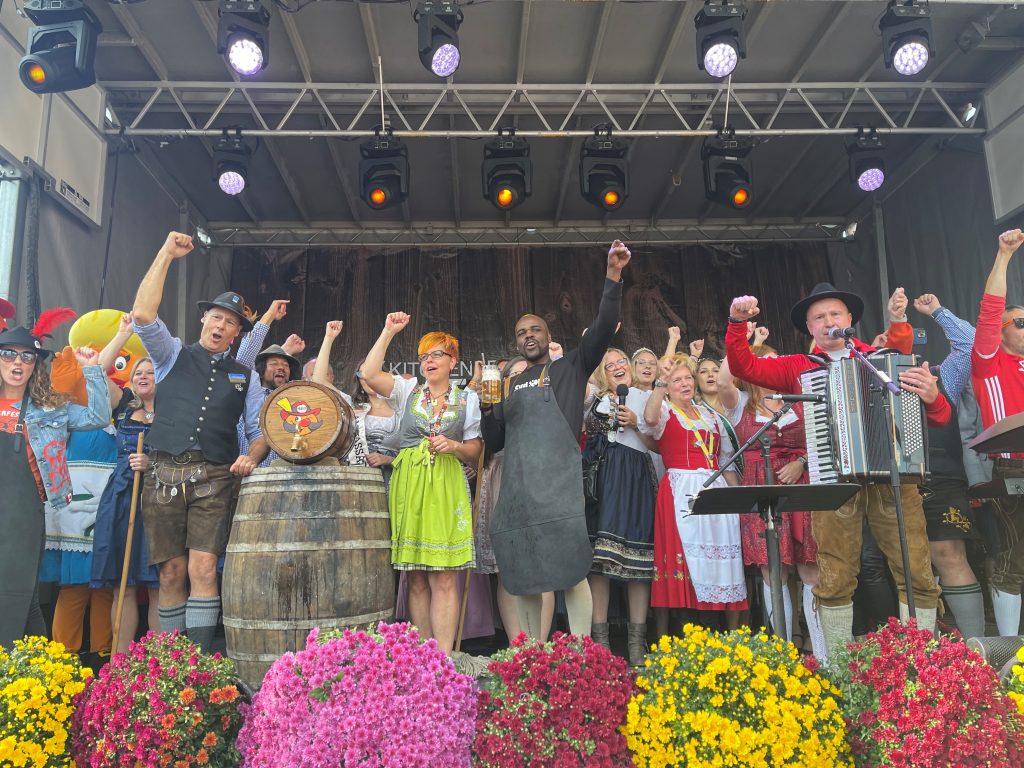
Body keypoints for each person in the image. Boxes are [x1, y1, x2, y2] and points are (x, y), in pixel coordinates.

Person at [726, 282, 951, 656]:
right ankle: (840, 666)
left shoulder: (882, 358)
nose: (828, 320)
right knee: (834, 572)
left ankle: (921, 657)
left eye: (834, 314)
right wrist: (736, 324)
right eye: (819, 317)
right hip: (831, 478)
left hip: (893, 477)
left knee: (915, 568)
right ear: (810, 329)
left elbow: (938, 417)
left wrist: (933, 396)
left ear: (849, 320)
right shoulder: (799, 367)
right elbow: (743, 366)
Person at [481, 240, 632, 641]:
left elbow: (602, 327)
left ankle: (582, 655)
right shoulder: (507, 386)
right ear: (516, 343)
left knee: (570, 572)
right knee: (529, 576)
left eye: (535, 330)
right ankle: (533, 653)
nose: (528, 336)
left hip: (561, 488)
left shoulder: (570, 368)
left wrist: (613, 276)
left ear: (548, 336)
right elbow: (494, 441)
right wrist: (484, 407)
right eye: (521, 333)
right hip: (519, 491)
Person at [132, 231, 268, 652]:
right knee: (171, 572)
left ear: (236, 335)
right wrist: (165, 253)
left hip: (214, 476)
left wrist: (250, 456)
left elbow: (262, 432)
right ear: (203, 320)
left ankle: (203, 660)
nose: (221, 324)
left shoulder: (247, 376)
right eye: (216, 317)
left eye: (230, 322)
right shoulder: (171, 355)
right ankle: (174, 662)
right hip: (163, 474)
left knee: (204, 568)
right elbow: (141, 313)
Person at [360, 314, 483, 655]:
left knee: (443, 574)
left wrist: (454, 446)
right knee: (415, 575)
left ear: (452, 361)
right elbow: (369, 374)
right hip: (410, 483)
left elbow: (475, 450)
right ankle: (425, 657)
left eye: (437, 354)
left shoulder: (467, 399)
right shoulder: (406, 391)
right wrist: (387, 331)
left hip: (446, 483)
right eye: (425, 355)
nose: (429, 360)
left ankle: (442, 658)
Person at [0, 318, 111, 646]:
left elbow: (97, 417)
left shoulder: (51, 408)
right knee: (28, 598)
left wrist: (92, 370)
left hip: (24, 511)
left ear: (35, 365)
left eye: (26, 357)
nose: (17, 362)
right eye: (8, 354)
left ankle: (19, 674)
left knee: (18, 592)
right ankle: (42, 675)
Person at [718, 343, 826, 658]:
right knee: (773, 571)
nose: (770, 365)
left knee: (810, 569)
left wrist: (802, 462)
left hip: (799, 486)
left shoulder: (797, 400)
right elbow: (724, 381)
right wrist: (740, 340)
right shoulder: (739, 403)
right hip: (760, 488)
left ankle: (821, 652)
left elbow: (821, 439)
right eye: (762, 361)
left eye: (775, 360)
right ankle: (783, 653)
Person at [640, 354, 746, 637]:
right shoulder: (665, 411)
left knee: (721, 559)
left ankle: (727, 633)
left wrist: (742, 501)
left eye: (688, 378)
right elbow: (648, 418)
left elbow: (726, 461)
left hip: (715, 490)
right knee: (688, 557)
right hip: (681, 490)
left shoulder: (711, 416)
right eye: (677, 380)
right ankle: (689, 631)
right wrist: (660, 384)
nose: (684, 384)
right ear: (668, 386)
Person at [908, 292, 985, 639]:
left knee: (949, 553)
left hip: (941, 475)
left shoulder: (942, 376)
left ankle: (976, 653)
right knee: (900, 563)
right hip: (888, 482)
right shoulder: (865, 378)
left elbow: (970, 345)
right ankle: (916, 652)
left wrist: (938, 312)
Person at [91, 313, 161, 652]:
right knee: (124, 583)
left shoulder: (175, 414)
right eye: (138, 373)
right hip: (121, 498)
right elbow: (98, 370)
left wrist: (152, 463)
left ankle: (161, 666)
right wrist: (121, 335)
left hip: (160, 500)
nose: (144, 376)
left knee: (160, 583)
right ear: (131, 382)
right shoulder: (121, 408)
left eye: (150, 371)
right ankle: (119, 666)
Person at [583, 348, 657, 665]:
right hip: (603, 481)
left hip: (637, 477)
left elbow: (657, 443)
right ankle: (600, 643)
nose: (617, 367)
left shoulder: (644, 397)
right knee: (599, 564)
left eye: (621, 362)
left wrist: (637, 424)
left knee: (639, 563)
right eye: (608, 364)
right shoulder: (596, 400)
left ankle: (636, 643)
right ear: (602, 373)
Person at [971, 228, 1024, 635]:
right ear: (1004, 329)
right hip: (1012, 469)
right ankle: (1007, 652)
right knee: (1014, 557)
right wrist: (1004, 256)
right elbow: (990, 310)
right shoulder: (989, 360)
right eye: (1021, 322)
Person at [313, 322, 398, 480]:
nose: (368, 379)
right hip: (360, 481)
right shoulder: (351, 405)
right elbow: (318, 381)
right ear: (358, 381)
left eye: (373, 374)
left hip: (396, 479)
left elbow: (414, 450)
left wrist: (389, 460)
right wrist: (329, 338)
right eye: (362, 376)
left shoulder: (400, 407)